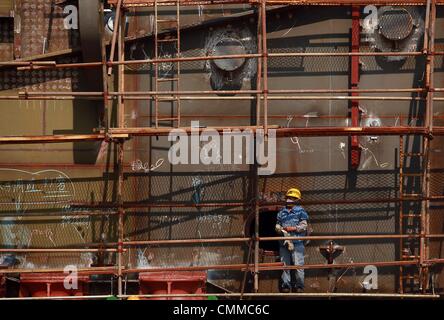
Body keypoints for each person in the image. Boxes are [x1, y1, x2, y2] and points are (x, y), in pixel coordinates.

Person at [275, 188, 309, 293]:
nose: (290, 200)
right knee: (285, 266)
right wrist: (278, 228)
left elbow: (304, 226)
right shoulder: (281, 212)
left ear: (297, 200)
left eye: (293, 198)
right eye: (289, 198)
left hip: (297, 243)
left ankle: (299, 286)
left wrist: (293, 228)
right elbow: (278, 223)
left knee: (298, 265)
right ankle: (286, 286)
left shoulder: (301, 211)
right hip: (284, 243)